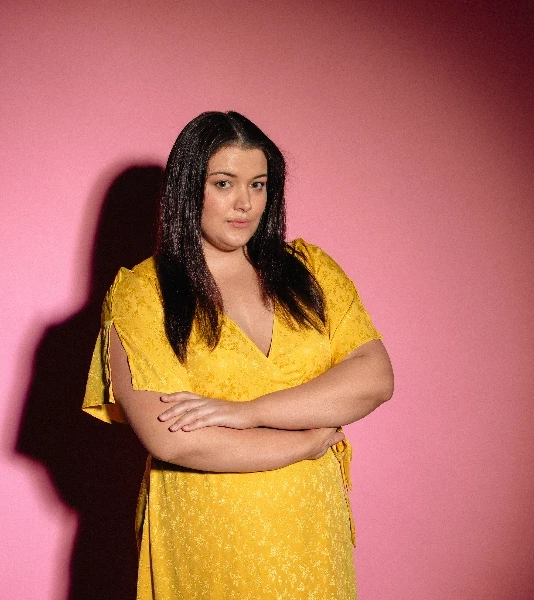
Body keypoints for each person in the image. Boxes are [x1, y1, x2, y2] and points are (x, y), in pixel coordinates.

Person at [82, 111, 394, 600]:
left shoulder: (310, 272)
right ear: (188, 188)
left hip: (312, 533)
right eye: (224, 183)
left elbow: (373, 378)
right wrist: (305, 442)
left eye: (259, 184)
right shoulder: (144, 293)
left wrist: (246, 414)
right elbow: (174, 441)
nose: (244, 203)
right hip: (209, 537)